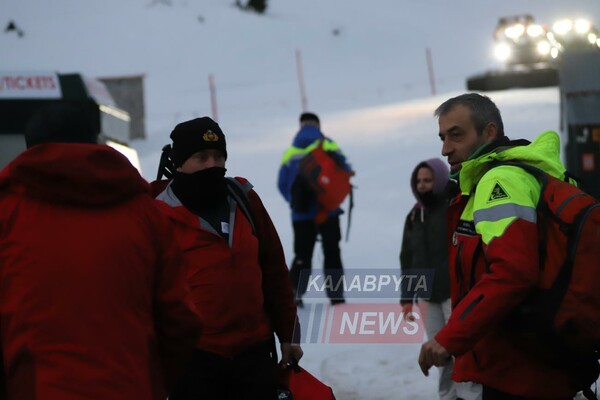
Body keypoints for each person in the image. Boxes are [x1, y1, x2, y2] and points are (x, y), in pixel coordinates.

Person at [0, 103, 201, 399]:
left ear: (30, 149)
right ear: (95, 142)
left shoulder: (8, 213)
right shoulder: (146, 214)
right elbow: (179, 321)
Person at [418, 93, 584, 399]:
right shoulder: (504, 176)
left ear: (489, 132)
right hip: (532, 358)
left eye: (456, 135)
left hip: (517, 370)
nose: (445, 149)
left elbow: (513, 272)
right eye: (442, 137)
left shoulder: (500, 183)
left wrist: (450, 337)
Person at [153, 117, 303, 400]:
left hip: (255, 354)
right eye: (202, 157)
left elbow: (273, 270)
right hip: (194, 361)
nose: (213, 164)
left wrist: (289, 333)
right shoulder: (157, 215)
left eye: (219, 156)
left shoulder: (243, 200)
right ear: (180, 163)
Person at [401, 158, 482, 400]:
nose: (423, 185)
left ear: (440, 180)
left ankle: (470, 396)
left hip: (455, 293)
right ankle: (448, 396)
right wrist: (407, 298)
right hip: (428, 297)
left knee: (461, 350)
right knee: (439, 354)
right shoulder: (414, 217)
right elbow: (407, 258)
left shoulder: (453, 208)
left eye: (428, 180)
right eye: (419, 181)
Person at [278, 112, 353, 306]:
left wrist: (295, 202)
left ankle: (295, 293)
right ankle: (336, 296)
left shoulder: (291, 151)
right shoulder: (328, 144)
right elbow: (344, 168)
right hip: (328, 209)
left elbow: (281, 183)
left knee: (302, 255)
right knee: (332, 252)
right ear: (318, 125)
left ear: (300, 125)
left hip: (301, 214)